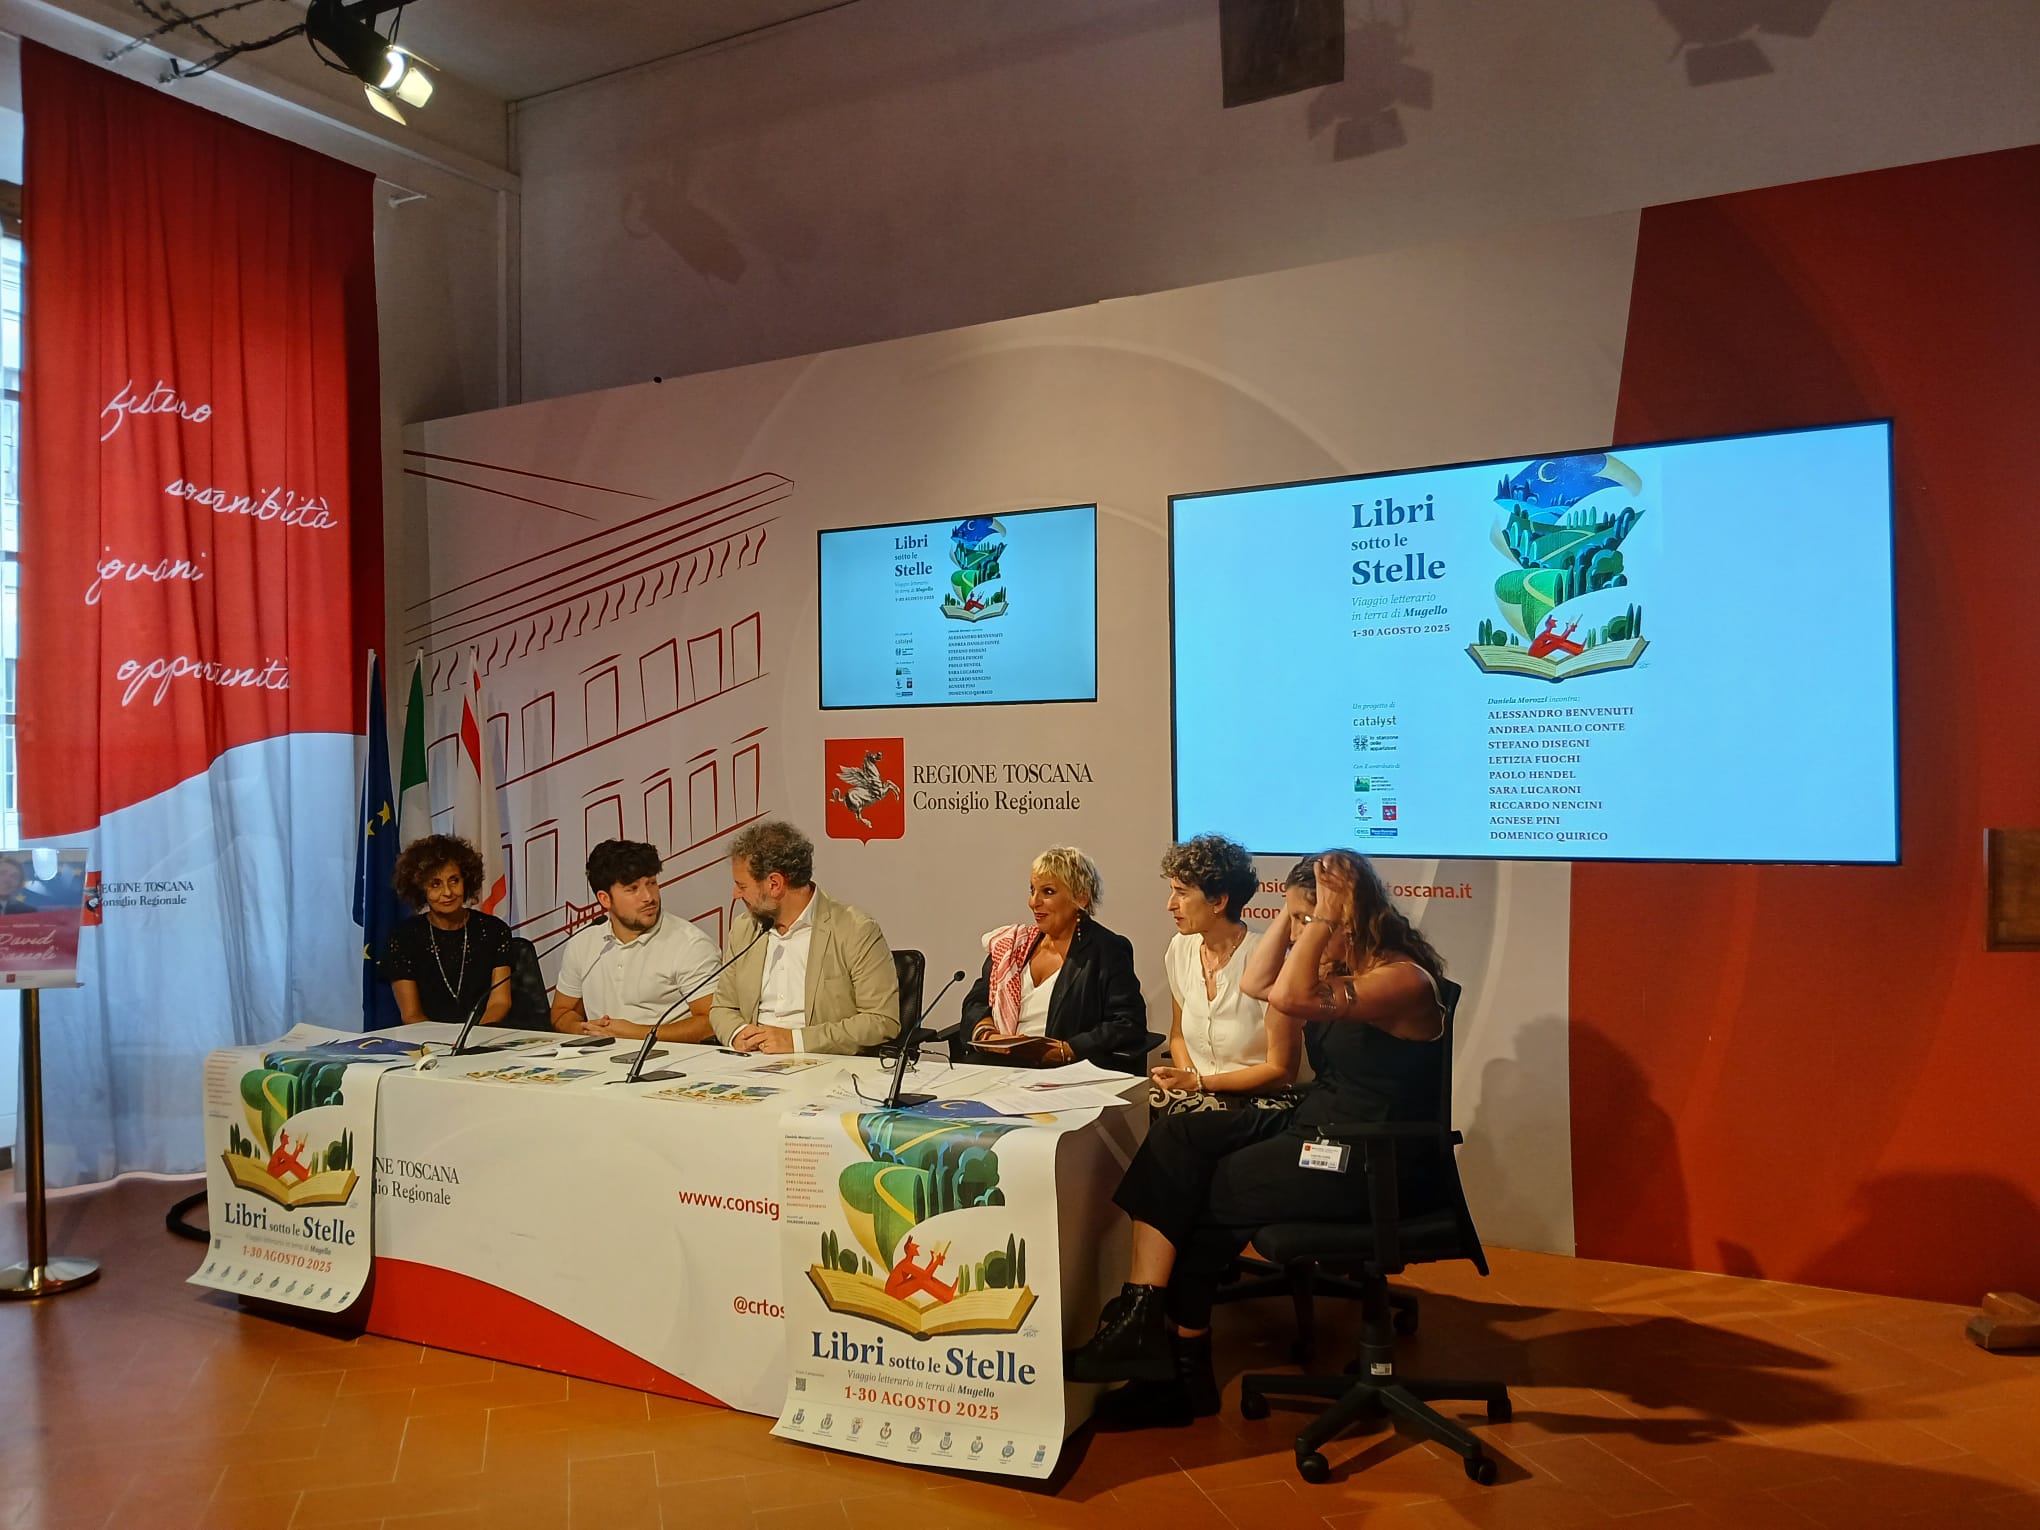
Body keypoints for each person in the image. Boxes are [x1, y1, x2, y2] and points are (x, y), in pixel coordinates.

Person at [1065, 851, 1450, 1422]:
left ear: (1348, 917)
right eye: (1293, 921)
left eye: (1309, 921)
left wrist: (1322, 918)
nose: (1297, 935)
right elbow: (1257, 982)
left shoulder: (1402, 979)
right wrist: (1297, 911)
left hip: (1370, 1153)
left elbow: (1287, 997)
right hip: (1321, 1120)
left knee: (1205, 1192)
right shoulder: (1343, 971)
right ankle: (1141, 1317)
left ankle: (1179, 1374)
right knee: (1182, 1138)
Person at [709, 820, 899, 1055]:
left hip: (823, 1062)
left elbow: (881, 1020)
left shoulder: (854, 929)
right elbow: (722, 1007)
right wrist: (737, 1033)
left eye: (742, 886)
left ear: (774, 884)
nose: (736, 894)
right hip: (750, 1061)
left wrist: (796, 1041)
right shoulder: (744, 929)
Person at [954, 846, 1147, 1073]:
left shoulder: (1107, 950)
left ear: (1081, 897)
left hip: (1062, 1073)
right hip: (997, 1065)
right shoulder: (1015, 945)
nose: (1033, 902)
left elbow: (1127, 1022)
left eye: (1047, 892)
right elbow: (975, 1002)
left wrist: (1067, 1050)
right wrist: (987, 1034)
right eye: (1032, 890)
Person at [1150, 834, 1299, 1113]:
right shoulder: (1179, 948)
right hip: (1203, 1099)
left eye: (1182, 893)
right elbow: (1178, 1035)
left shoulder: (1268, 959)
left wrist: (1200, 1084)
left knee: (1175, 1128)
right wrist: (1189, 1085)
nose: (1170, 904)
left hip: (1260, 1103)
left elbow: (1281, 1070)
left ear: (1218, 902)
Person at [551, 839, 722, 1041]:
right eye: (632, 889)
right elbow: (561, 1012)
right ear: (605, 899)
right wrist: (582, 1029)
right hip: (598, 1055)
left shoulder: (691, 944)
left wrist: (637, 1034)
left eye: (652, 883)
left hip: (669, 1057)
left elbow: (711, 1021)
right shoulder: (582, 943)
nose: (648, 897)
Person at [382, 835, 515, 1026]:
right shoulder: (404, 938)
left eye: (454, 881)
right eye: (435, 884)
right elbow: (411, 1015)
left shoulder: (494, 930)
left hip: (486, 1035)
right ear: (421, 889)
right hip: (428, 1040)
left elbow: (500, 1002)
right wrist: (442, 1042)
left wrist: (474, 1036)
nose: (447, 892)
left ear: (466, 881)